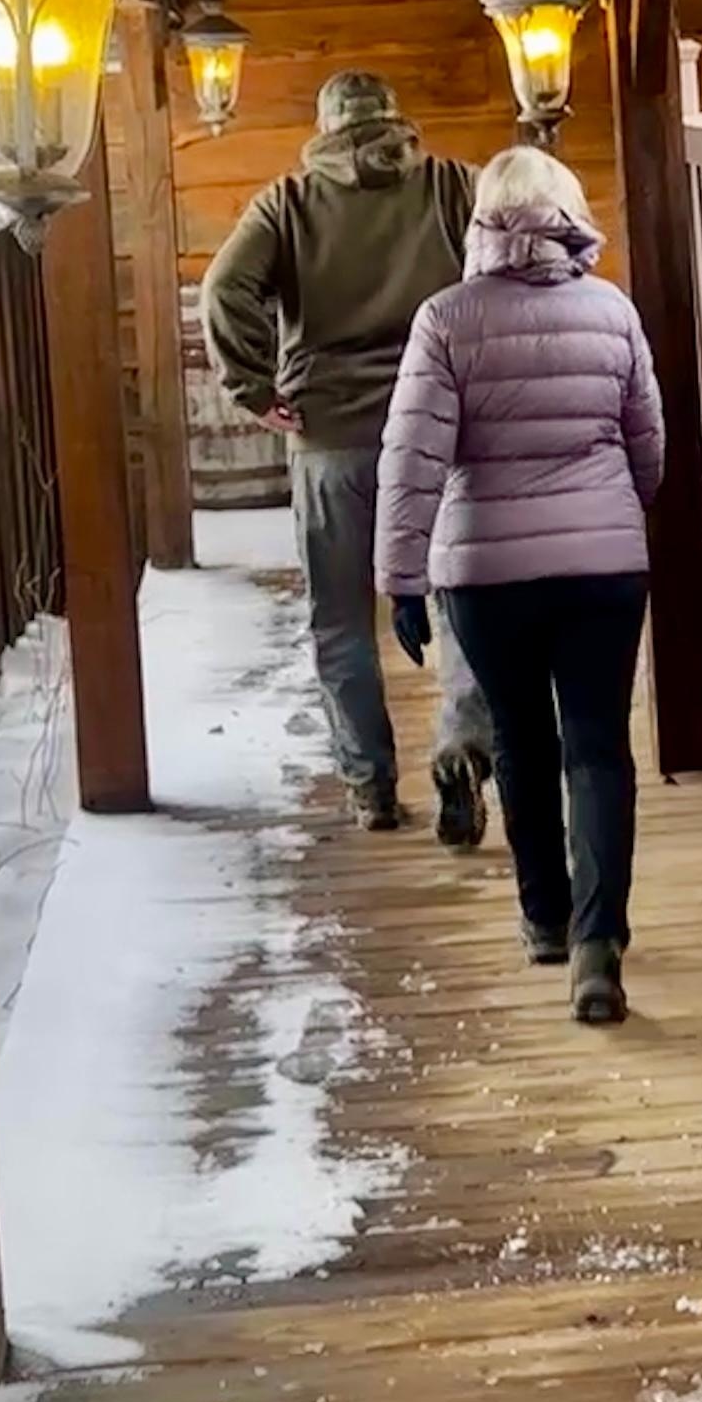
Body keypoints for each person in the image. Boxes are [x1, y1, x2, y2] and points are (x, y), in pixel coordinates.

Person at [374, 144, 665, 1026]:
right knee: (599, 747)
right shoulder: (611, 310)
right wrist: (614, 510)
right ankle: (598, 943)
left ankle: (544, 916)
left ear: (483, 224)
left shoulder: (446, 319)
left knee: (521, 743)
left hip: (488, 574)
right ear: (568, 215)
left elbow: (413, 458)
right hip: (605, 569)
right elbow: (646, 443)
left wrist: (401, 579)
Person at [201, 70, 495, 839]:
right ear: (397, 120)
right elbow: (507, 272)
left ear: (326, 128)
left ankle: (370, 786)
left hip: (331, 439)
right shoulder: (453, 186)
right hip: (440, 432)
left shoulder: (287, 204)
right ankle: (463, 747)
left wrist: (255, 388)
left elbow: (224, 290)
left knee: (339, 621)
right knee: (461, 601)